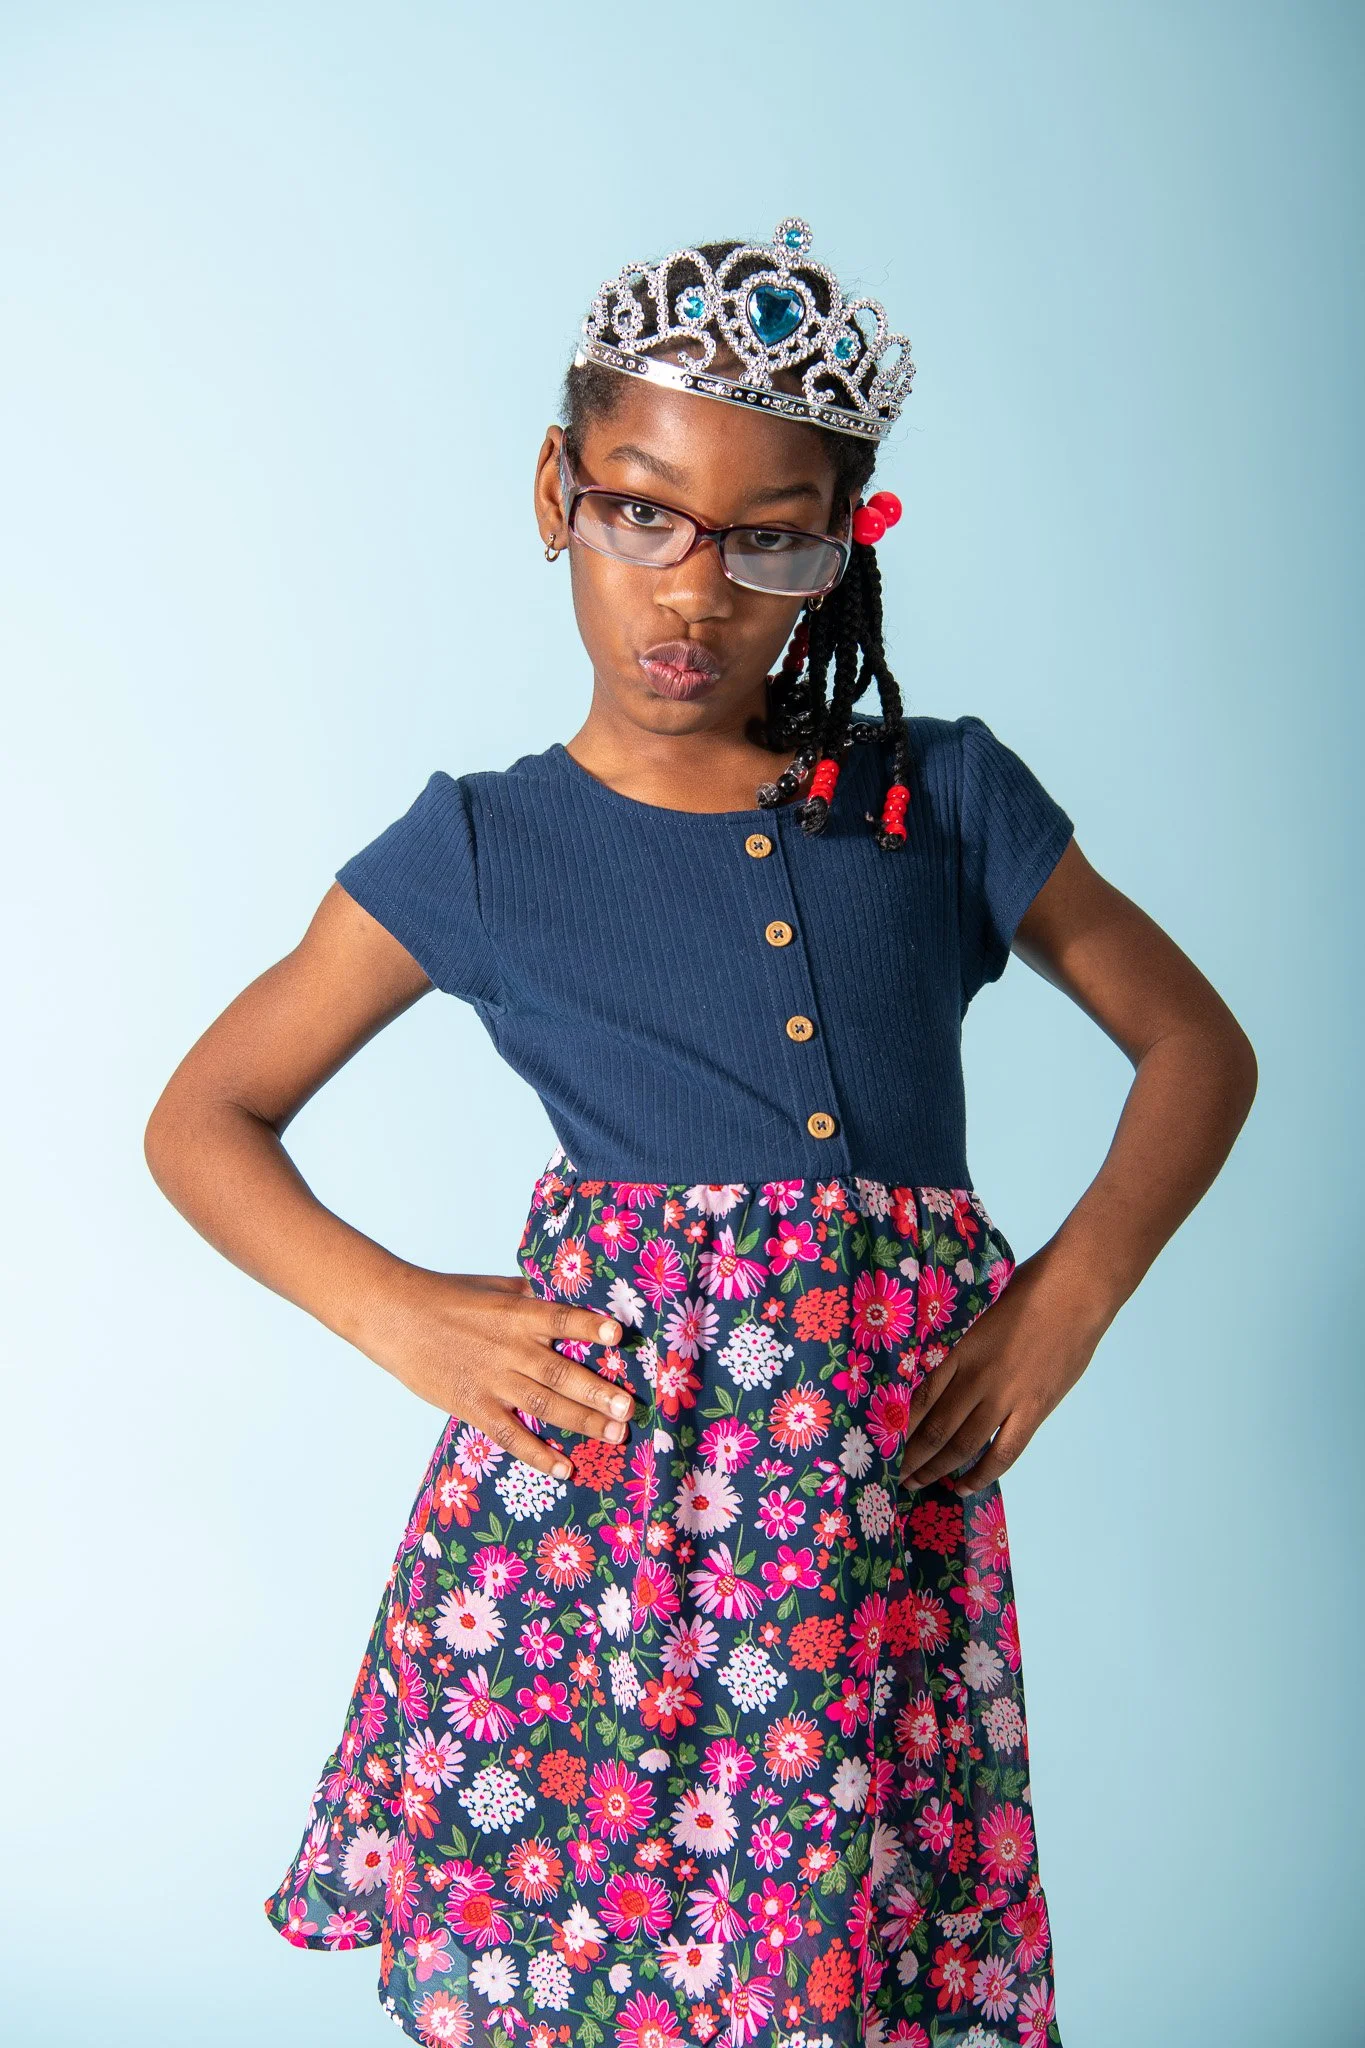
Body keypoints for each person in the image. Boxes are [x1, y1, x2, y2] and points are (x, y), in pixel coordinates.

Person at [144, 219, 1257, 2048]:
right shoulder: (483, 845)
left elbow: (1195, 1049)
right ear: (555, 495)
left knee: (842, 1950)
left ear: (845, 543)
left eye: (769, 536)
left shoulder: (945, 800)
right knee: (587, 1962)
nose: (692, 589)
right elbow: (206, 1117)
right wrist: (404, 1313)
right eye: (643, 512)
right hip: (592, 1532)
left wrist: (1065, 1302)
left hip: (865, 1532)